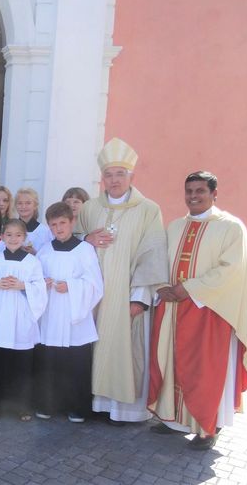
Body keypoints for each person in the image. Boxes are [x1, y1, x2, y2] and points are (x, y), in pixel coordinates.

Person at [148, 171, 247, 450]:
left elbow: (231, 270)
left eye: (200, 191)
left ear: (214, 193)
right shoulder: (174, 227)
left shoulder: (231, 228)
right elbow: (159, 259)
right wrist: (163, 286)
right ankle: (174, 420)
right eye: (189, 191)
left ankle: (208, 427)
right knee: (172, 363)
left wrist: (189, 288)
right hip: (174, 308)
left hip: (209, 310)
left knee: (205, 369)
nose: (193, 196)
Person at [76, 137, 168, 425]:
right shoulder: (90, 208)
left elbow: (152, 254)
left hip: (126, 296)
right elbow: (73, 243)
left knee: (125, 349)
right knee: (91, 346)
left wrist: (139, 298)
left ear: (131, 175)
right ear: (101, 177)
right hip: (93, 296)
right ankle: (93, 403)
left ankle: (123, 410)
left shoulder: (148, 209)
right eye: (108, 174)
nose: (114, 180)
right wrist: (87, 239)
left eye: (120, 174)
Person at [35, 202, 103, 423]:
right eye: (53, 225)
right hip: (51, 314)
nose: (59, 228)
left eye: (62, 223)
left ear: (72, 222)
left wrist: (71, 286)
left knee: (75, 364)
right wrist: (41, 283)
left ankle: (77, 407)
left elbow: (94, 283)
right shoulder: (45, 250)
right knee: (49, 362)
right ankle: (48, 404)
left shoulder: (85, 250)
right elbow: (34, 278)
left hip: (75, 316)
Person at [0, 219, 47, 421]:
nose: (13, 238)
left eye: (18, 235)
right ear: (2, 236)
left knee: (21, 365)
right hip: (0, 316)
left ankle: (22, 406)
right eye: (8, 234)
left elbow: (40, 289)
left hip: (22, 318)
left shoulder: (32, 262)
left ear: (24, 237)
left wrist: (22, 286)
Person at [11, 187, 52, 255]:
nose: (23, 206)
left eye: (28, 203)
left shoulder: (45, 231)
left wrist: (35, 253)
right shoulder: (10, 229)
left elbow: (49, 257)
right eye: (20, 203)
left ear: (35, 205)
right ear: (15, 205)